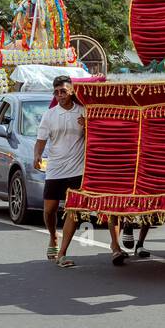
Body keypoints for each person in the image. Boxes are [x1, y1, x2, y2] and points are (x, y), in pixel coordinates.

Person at [39, 76, 126, 268]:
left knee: (75, 210)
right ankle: (53, 236)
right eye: (56, 92)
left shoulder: (85, 112)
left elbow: (101, 136)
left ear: (72, 91)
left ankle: (63, 253)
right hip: (55, 169)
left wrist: (88, 126)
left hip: (79, 170)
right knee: (49, 210)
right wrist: (37, 156)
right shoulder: (49, 115)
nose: (59, 95)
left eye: (63, 91)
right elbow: (41, 140)